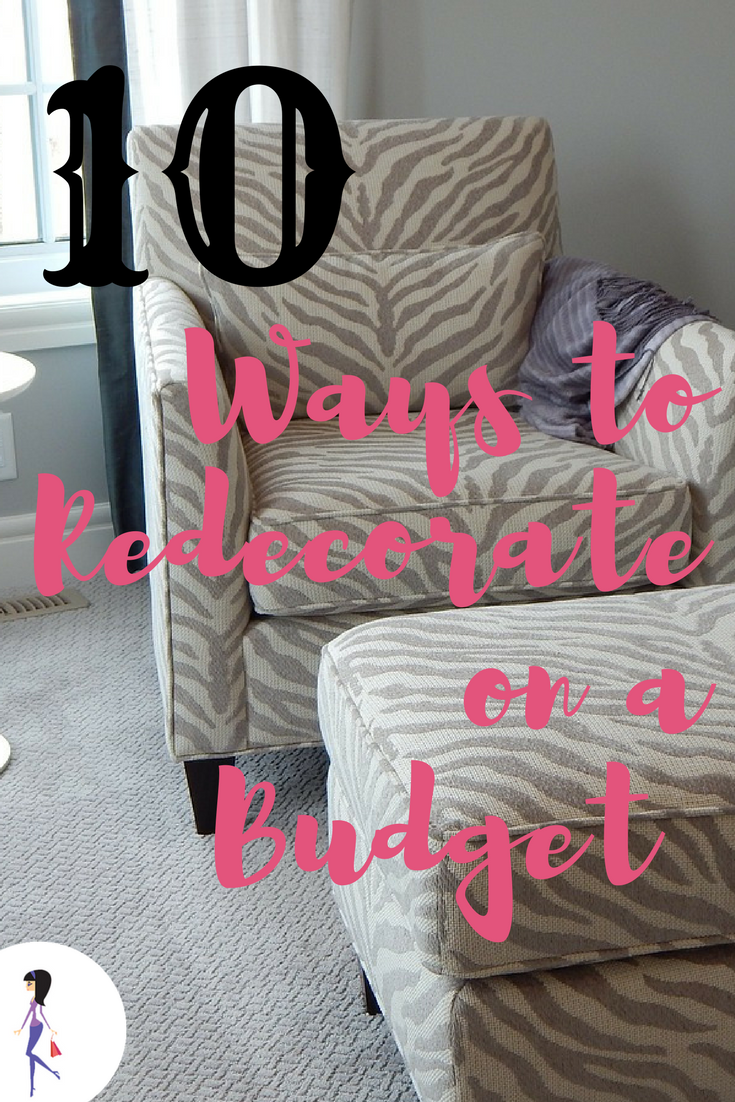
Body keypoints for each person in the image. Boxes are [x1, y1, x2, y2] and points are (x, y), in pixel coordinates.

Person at [13, 970, 61, 1097]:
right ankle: (32, 1086)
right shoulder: (34, 997)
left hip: (37, 1027)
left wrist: (50, 1028)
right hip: (31, 1026)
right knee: (30, 1056)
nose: (26, 986)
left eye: (29, 983)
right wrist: (21, 1028)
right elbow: (29, 1013)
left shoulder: (38, 999)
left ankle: (51, 1072)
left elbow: (41, 1014)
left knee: (29, 1053)